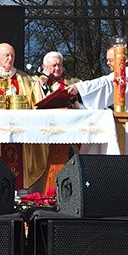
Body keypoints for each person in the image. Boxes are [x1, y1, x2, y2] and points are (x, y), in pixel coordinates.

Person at [67, 46, 128, 156]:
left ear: (123, 58)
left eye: (111, 60)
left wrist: (80, 88)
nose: (108, 63)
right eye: (107, 60)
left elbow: (106, 83)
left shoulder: (127, 73)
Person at [0, 42, 45, 191]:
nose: (10, 58)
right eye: (6, 55)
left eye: (12, 55)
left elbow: (37, 103)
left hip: (21, 132)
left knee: (20, 165)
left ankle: (21, 191)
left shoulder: (24, 78)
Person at [33, 51, 80, 192]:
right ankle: (42, 193)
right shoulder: (35, 83)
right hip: (42, 134)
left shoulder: (71, 83)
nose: (57, 69)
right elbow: (35, 103)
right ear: (44, 67)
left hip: (67, 133)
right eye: (53, 65)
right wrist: (43, 85)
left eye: (60, 65)